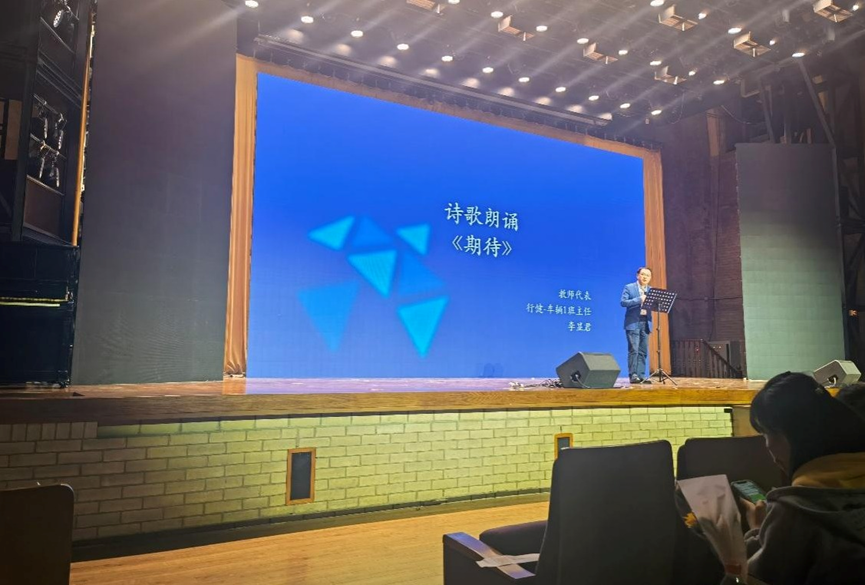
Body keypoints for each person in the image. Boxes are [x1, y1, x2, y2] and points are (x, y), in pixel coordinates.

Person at [740, 372, 865, 585]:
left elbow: (751, 578)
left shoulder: (795, 510)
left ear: (789, 436)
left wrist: (758, 531)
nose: (768, 446)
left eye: (766, 434)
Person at [620, 267, 653, 384]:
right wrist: (639, 299)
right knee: (634, 349)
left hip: (646, 322)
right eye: (643, 274)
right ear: (637, 275)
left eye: (648, 275)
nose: (645, 277)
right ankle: (633, 375)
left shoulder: (651, 290)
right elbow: (623, 302)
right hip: (633, 322)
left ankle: (641, 375)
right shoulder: (629, 287)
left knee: (643, 351)